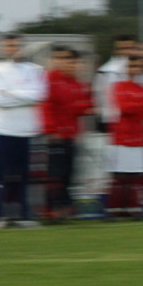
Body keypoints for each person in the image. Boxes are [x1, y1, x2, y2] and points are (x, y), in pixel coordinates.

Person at [0, 34, 47, 227]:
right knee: (0, 175)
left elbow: (39, 95)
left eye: (16, 45)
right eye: (9, 45)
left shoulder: (34, 70)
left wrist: (9, 93)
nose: (12, 49)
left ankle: (25, 215)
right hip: (1, 129)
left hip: (25, 129)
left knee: (23, 176)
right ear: (2, 48)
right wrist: (23, 97)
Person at [40, 46, 94, 221]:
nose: (69, 64)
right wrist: (51, 130)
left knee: (68, 174)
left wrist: (81, 106)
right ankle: (52, 208)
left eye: (72, 61)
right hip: (56, 136)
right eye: (63, 59)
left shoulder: (77, 83)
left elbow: (86, 106)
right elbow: (45, 106)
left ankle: (63, 207)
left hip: (71, 135)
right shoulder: (50, 79)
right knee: (56, 174)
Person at [107, 55, 143, 219]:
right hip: (122, 136)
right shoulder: (118, 86)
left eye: (138, 66)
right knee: (120, 175)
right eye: (132, 66)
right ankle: (115, 210)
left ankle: (134, 209)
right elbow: (124, 108)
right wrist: (138, 105)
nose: (135, 69)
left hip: (140, 136)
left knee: (137, 175)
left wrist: (135, 105)